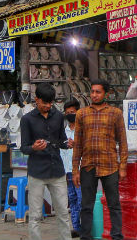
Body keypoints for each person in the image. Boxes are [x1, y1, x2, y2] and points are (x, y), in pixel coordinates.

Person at [72, 80, 127, 240]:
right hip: (88, 165)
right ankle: (86, 236)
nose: (94, 95)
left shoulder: (115, 113)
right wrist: (75, 169)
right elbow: (77, 144)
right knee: (86, 205)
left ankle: (116, 235)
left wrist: (122, 165)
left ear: (106, 94)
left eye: (98, 92)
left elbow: (122, 141)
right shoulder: (81, 114)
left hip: (109, 165)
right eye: (93, 92)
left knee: (114, 205)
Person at [20, 83, 72, 240]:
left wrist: (68, 144)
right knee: (35, 215)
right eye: (45, 103)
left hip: (57, 170)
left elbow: (61, 141)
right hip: (37, 171)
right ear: (37, 100)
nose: (48, 106)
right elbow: (24, 147)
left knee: (63, 212)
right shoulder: (27, 119)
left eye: (51, 103)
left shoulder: (57, 116)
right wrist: (34, 147)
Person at [60, 99, 82, 238]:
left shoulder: (82, 130)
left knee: (81, 200)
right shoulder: (63, 132)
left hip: (79, 171)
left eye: (72, 112)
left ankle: (85, 227)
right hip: (67, 171)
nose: (70, 115)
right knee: (72, 200)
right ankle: (76, 227)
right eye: (67, 113)